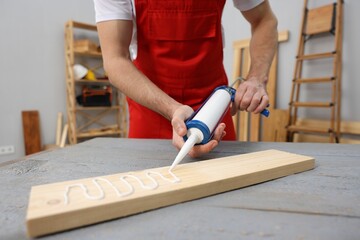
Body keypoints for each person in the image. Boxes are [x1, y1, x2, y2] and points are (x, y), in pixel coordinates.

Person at [94, 0, 278, 157]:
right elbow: (115, 59)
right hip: (151, 110)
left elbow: (264, 20)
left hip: (213, 109)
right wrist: (172, 109)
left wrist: (256, 78)